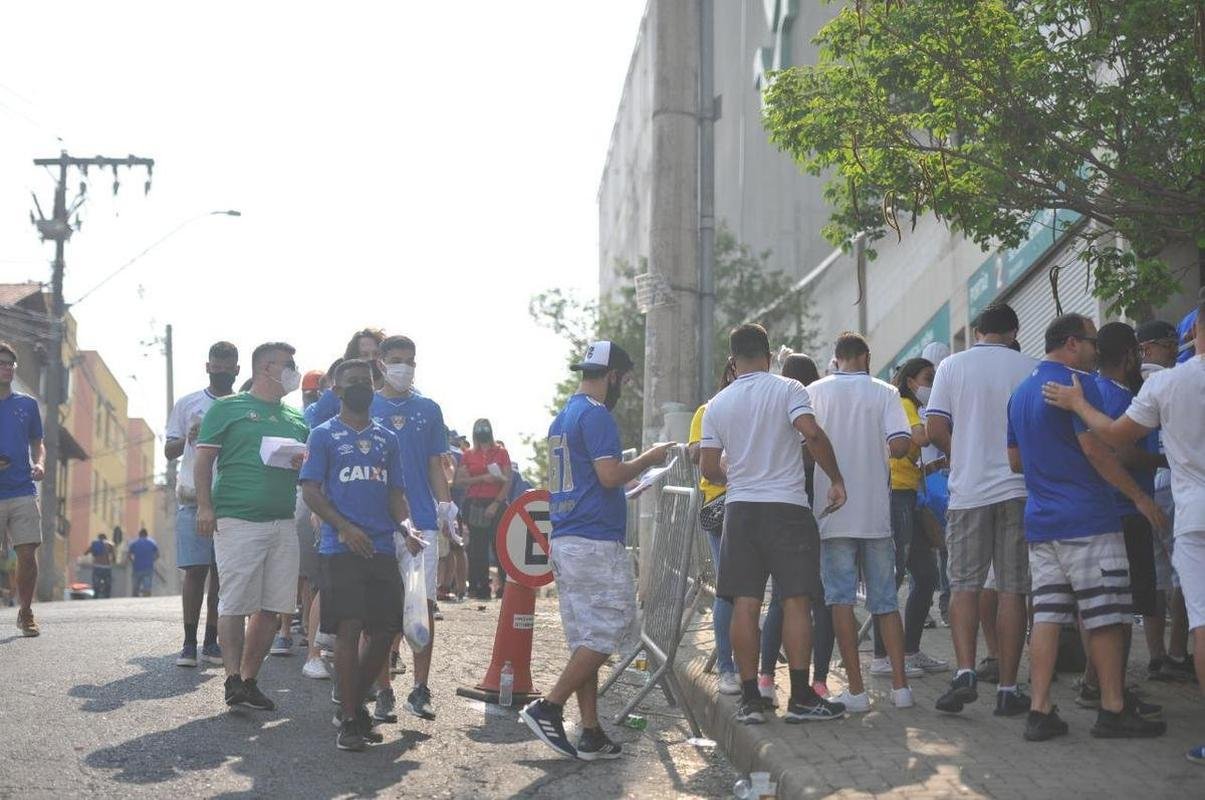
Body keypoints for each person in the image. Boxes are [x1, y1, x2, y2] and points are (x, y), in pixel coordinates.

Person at [1042, 299, 1205, 760]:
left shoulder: (1169, 383)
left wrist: (1076, 403)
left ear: (1196, 331)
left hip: (1194, 518)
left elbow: (1113, 436)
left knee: (1201, 621)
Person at [1007, 313, 1167, 741]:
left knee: (1047, 616)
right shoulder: (1081, 387)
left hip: (1042, 523)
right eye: (1093, 341)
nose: (1098, 351)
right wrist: (1138, 496)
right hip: (1090, 519)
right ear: (1073, 343)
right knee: (1105, 617)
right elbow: (1099, 449)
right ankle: (1112, 708)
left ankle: (1039, 710)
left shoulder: (1021, 393)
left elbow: (1015, 461)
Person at [520, 340, 674, 760]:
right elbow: (609, 475)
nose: (623, 385)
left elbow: (595, 481)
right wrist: (651, 458)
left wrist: (627, 485)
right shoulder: (596, 414)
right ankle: (548, 706)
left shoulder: (562, 417)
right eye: (622, 378)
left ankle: (590, 730)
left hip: (568, 537)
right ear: (611, 376)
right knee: (613, 626)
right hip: (593, 543)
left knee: (586, 637)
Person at [699, 324, 848, 726]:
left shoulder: (717, 404)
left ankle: (752, 700)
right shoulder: (789, 390)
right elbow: (811, 434)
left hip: (741, 511)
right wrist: (835, 478)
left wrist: (742, 471)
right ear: (767, 355)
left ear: (733, 361)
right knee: (796, 600)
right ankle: (800, 698)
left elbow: (710, 468)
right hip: (787, 509)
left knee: (745, 603)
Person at [300, 358, 420, 752]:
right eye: (351, 382)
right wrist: (343, 527)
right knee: (349, 629)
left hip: (382, 546)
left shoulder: (388, 439)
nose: (359, 388)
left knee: (385, 629)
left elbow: (395, 495)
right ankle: (351, 719)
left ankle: (352, 700)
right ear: (337, 390)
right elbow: (311, 491)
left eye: (365, 382)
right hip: (340, 547)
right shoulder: (322, 435)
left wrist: (408, 527)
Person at [926, 303, 1035, 716]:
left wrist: (962, 456)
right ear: (1014, 331)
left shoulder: (952, 366)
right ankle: (1008, 687)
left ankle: (966, 672)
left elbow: (936, 427)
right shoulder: (1029, 367)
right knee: (1012, 588)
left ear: (976, 331)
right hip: (1017, 489)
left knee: (965, 585)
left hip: (969, 492)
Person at [195, 341, 309, 712]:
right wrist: (204, 507)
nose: (293, 371)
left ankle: (248, 680)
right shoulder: (228, 409)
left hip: (282, 521)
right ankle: (230, 678)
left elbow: (302, 468)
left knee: (274, 608)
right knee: (236, 602)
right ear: (266, 368)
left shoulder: (297, 419)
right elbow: (203, 462)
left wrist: (297, 464)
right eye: (288, 365)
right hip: (237, 519)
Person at [806, 333, 916, 712]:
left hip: (832, 514)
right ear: (866, 357)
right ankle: (901, 688)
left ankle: (856, 690)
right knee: (885, 603)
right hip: (875, 515)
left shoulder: (814, 392)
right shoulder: (885, 392)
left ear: (835, 359)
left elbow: (805, 443)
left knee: (840, 602)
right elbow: (901, 444)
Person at [371, 335, 455, 723]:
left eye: (411, 360)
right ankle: (384, 689)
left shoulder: (428, 408)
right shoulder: (366, 405)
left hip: (422, 523)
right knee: (384, 612)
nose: (404, 366)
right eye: (397, 360)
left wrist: (446, 506)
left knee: (423, 608)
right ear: (382, 363)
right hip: (380, 523)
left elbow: (435, 465)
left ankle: (420, 690)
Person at [1083, 323, 1165, 697]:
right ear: (1130, 354)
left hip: (1102, 511)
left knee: (1105, 604)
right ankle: (1111, 689)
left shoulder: (1092, 391)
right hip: (1129, 511)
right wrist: (1166, 460)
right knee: (1125, 605)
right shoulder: (1120, 398)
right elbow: (1125, 452)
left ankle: (1093, 682)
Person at [757, 354, 837, 701]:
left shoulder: (770, 408)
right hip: (812, 514)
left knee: (780, 601)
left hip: (776, 514)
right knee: (820, 600)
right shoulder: (805, 411)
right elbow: (812, 451)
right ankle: (817, 682)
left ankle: (764, 679)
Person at [165, 340, 239, 667]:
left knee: (222, 574)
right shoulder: (188, 403)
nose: (221, 371)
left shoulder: (244, 406)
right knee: (195, 570)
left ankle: (212, 641)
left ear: (237, 370)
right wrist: (188, 437)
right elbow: (169, 450)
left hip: (234, 499)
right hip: (193, 497)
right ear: (207, 366)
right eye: (216, 366)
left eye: (227, 367)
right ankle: (188, 642)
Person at [877, 357, 946, 675]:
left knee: (927, 575)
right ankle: (883, 656)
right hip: (897, 497)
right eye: (927, 378)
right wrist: (940, 415)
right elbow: (920, 439)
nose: (930, 384)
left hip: (912, 497)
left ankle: (910, 650)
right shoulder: (903, 404)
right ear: (910, 382)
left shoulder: (912, 407)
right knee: (894, 574)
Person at [1136, 319, 1195, 681]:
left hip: (1143, 487)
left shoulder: (1130, 382)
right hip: (1171, 481)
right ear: (1147, 348)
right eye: (1166, 344)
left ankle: (1158, 656)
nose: (1174, 349)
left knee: (1156, 574)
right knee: (1184, 571)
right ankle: (1175, 652)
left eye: (1175, 343)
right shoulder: (1173, 381)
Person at [688, 361, 739, 697]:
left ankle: (756, 669)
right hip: (722, 506)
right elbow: (695, 452)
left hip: (757, 502)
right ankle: (727, 666)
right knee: (729, 589)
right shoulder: (708, 409)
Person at [0, 342, 45, 636]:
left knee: (27, 555)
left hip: (22, 490)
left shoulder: (27, 405)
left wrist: (40, 464)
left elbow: (37, 443)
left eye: (9, 363)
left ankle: (25, 611)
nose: (5, 367)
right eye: (0, 362)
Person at [454, 419, 511, 600]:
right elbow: (460, 481)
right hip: (475, 502)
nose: (482, 431)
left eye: (485, 427)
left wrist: (496, 503)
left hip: (496, 502)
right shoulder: (468, 454)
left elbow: (507, 480)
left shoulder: (501, 453)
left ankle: (505, 586)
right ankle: (479, 586)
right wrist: (482, 478)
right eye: (479, 428)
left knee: (499, 545)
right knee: (477, 547)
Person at [305, 329, 386, 427]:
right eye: (364, 355)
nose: (371, 359)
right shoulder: (333, 396)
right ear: (352, 359)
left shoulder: (396, 393)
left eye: (376, 354)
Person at [127, 528, 159, 597]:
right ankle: (146, 601)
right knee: (147, 588)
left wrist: (133, 562)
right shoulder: (152, 543)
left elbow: (129, 555)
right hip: (148, 568)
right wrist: (152, 560)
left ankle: (135, 601)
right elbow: (157, 554)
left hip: (137, 568)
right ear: (147, 535)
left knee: (135, 588)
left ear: (139, 535)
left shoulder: (134, 543)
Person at [88, 534, 116, 599]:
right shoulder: (110, 544)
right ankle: (107, 594)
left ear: (98, 538)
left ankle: (96, 593)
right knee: (108, 582)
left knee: (95, 581)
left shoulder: (94, 544)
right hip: (106, 567)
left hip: (97, 566)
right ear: (105, 538)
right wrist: (113, 561)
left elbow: (87, 552)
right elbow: (114, 556)